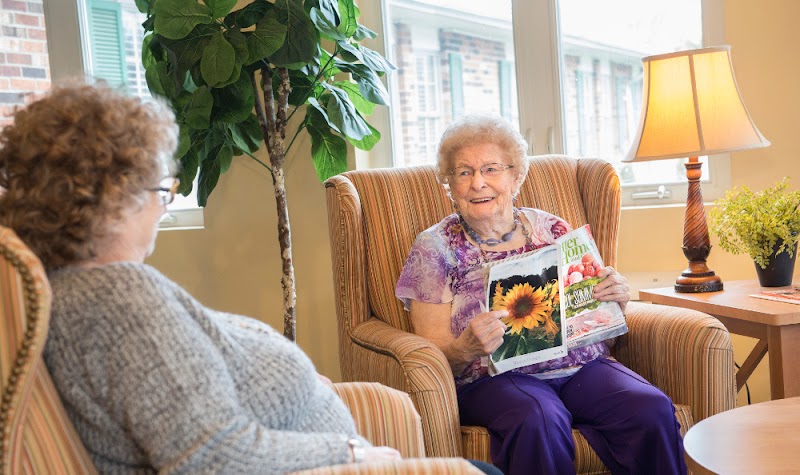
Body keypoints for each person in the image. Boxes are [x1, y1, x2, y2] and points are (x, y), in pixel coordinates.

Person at [0, 83, 405, 474]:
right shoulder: (121, 300)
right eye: (162, 191)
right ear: (115, 199)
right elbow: (212, 457)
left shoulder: (76, 290)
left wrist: (292, 381)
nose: (164, 208)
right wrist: (351, 452)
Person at [396, 114, 687, 475]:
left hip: (582, 368)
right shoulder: (435, 247)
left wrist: (615, 298)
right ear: (449, 184)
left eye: (490, 169)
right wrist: (465, 347)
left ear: (516, 176)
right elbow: (430, 352)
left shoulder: (552, 229)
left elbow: (597, 319)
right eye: (464, 172)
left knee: (650, 408)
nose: (478, 183)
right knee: (539, 418)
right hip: (495, 380)